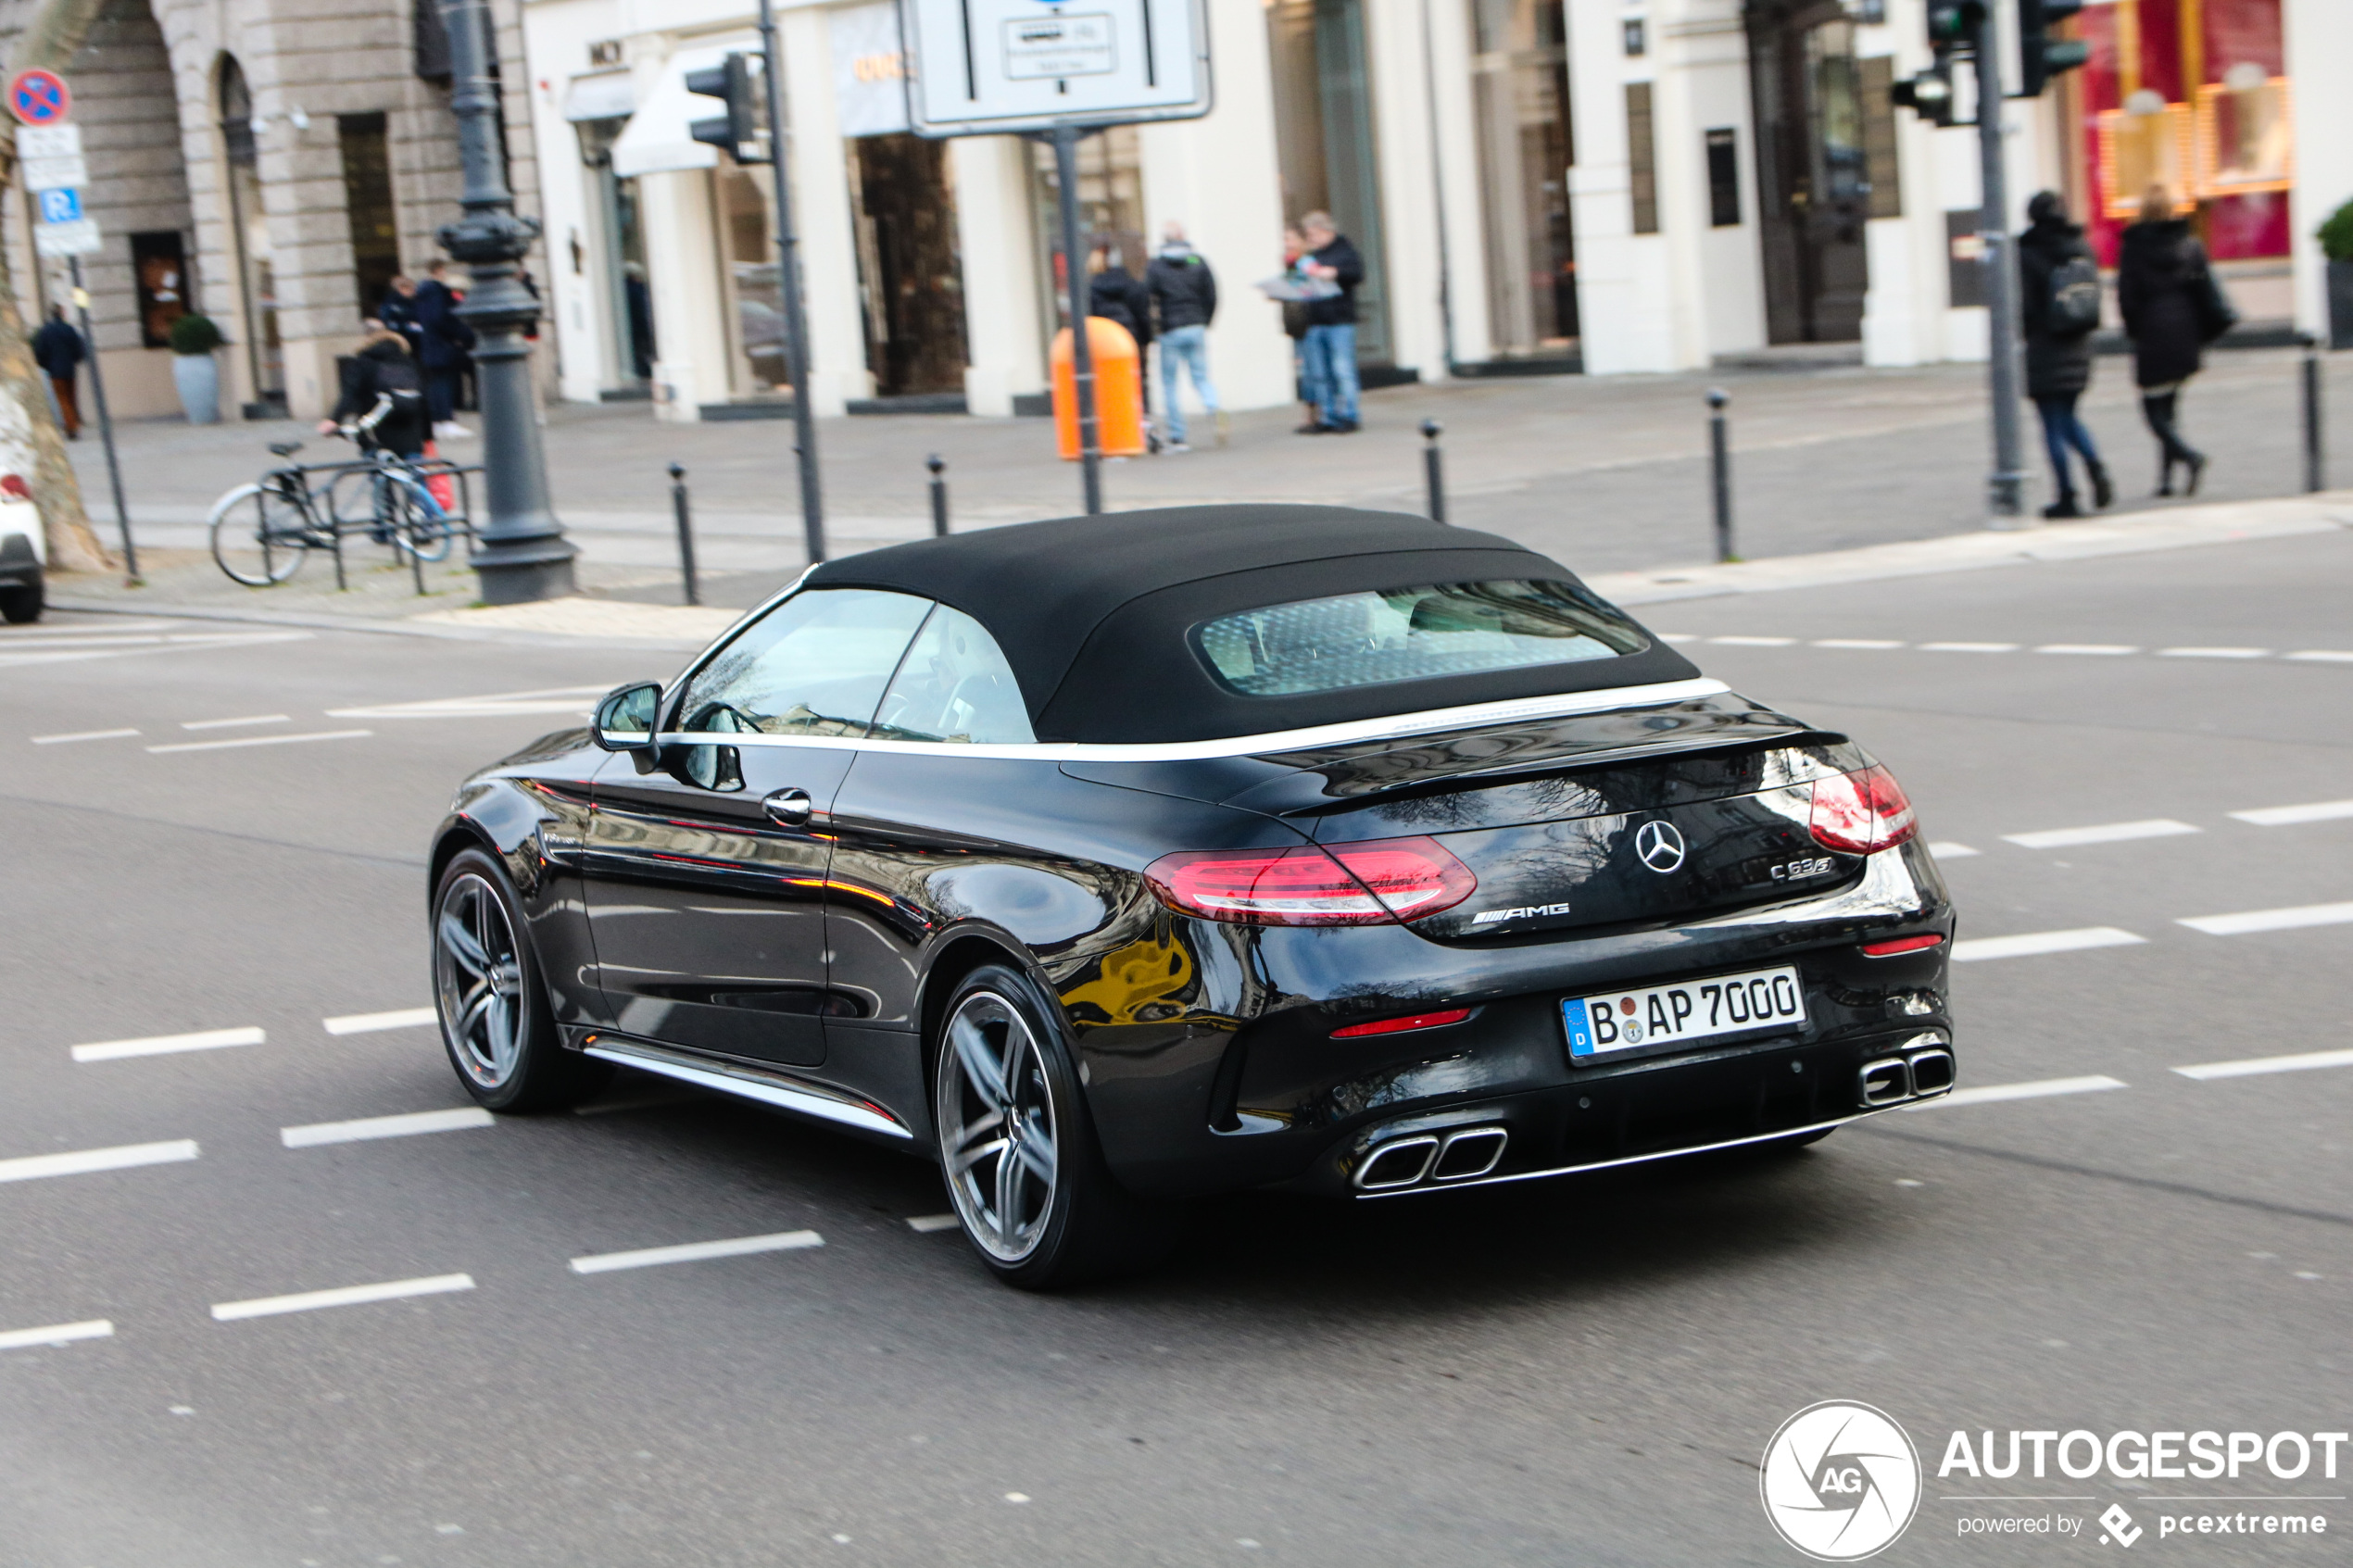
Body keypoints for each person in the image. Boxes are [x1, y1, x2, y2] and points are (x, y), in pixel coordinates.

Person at [2118, 186, 2232, 496]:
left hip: (2152, 332)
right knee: (2169, 406)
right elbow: (2203, 287)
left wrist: (2133, 330)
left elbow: (2127, 297)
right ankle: (2166, 480)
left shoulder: (2134, 247)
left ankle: (2189, 457)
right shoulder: (2189, 244)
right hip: (2185, 331)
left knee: (2152, 409)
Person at [2017, 191, 2110, 518]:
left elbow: (2025, 308)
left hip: (2045, 345)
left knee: (2052, 425)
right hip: (2078, 344)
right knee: (2068, 415)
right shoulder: (2081, 247)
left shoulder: (2027, 253)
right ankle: (2095, 464)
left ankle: (2067, 495)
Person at [1146, 221, 1221, 451]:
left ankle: (1178, 436)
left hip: (1170, 329)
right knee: (1200, 376)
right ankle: (1213, 406)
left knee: (1170, 383)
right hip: (1196, 325)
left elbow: (1148, 297)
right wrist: (1205, 321)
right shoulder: (1198, 261)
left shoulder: (1156, 266)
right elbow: (1212, 294)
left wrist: (1154, 328)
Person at [1296, 211, 1365, 433]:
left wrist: (1334, 272)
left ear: (1327, 231)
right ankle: (1328, 417)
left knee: (1342, 369)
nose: (1310, 239)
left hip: (1339, 319)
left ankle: (1349, 415)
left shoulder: (1345, 251)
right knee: (1319, 373)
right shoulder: (1312, 256)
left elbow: (1356, 273)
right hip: (1315, 319)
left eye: (1313, 234)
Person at [1087, 244, 1154, 427]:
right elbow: (1142, 314)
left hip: (1103, 341)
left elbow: (1088, 317)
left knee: (1107, 384)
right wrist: (1146, 339)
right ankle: (1142, 420)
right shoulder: (1131, 283)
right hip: (1130, 337)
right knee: (1137, 380)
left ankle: (1114, 424)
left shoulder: (1091, 287)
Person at [412, 259, 477, 441]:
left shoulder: (424, 292)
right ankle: (445, 420)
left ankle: (440, 421)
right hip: (442, 344)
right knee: (443, 382)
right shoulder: (436, 292)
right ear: (439, 270)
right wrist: (461, 334)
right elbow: (442, 318)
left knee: (437, 382)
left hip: (432, 343)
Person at [1278, 225, 1317, 431]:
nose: (1287, 244)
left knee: (1311, 369)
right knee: (1302, 370)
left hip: (1308, 322)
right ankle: (1309, 413)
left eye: (1291, 239)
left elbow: (1310, 290)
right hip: (1295, 323)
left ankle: (1315, 414)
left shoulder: (1308, 263)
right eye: (1285, 239)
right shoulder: (1289, 263)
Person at [31, 304, 85, 440]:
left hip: (55, 371)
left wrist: (45, 365)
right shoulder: (69, 329)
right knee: (71, 398)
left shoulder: (46, 331)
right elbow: (78, 348)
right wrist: (75, 360)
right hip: (70, 369)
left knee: (63, 400)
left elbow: (40, 351)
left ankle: (71, 427)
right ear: (62, 314)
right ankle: (73, 424)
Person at [379, 274, 422, 356]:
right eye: (411, 288)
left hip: (418, 342)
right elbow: (388, 323)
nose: (414, 291)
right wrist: (407, 326)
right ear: (402, 288)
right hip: (401, 342)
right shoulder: (390, 304)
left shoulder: (415, 302)